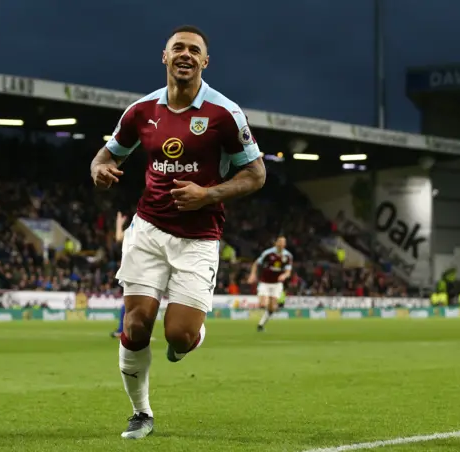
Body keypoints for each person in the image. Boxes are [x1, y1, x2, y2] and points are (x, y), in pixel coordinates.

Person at [89, 24, 266, 440]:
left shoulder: (225, 114)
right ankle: (141, 413)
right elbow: (106, 154)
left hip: (199, 238)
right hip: (148, 229)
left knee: (180, 336)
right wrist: (98, 168)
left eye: (194, 50)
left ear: (205, 62)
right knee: (135, 325)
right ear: (164, 57)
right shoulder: (140, 111)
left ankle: (190, 336)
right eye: (178, 49)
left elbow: (256, 174)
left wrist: (208, 194)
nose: (185, 55)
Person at [247, 236, 293, 332]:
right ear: (276, 243)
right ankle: (264, 313)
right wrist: (252, 275)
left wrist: (284, 275)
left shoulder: (288, 256)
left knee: (272, 308)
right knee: (263, 303)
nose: (282, 244)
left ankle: (261, 324)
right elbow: (256, 263)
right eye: (280, 242)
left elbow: (288, 271)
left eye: (284, 242)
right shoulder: (268, 253)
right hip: (265, 282)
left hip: (277, 284)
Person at [111, 211, 129, 339]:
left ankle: (123, 330)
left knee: (131, 302)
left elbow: (119, 237)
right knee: (130, 302)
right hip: (136, 270)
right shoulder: (140, 227)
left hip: (135, 270)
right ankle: (122, 330)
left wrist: (119, 224)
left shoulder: (139, 226)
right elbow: (119, 237)